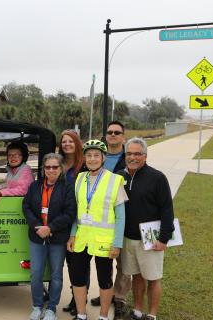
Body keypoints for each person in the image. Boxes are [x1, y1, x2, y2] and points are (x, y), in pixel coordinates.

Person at [67, 139, 127, 320]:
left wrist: (117, 244)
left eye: (96, 155)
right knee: (77, 279)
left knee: (105, 281)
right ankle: (81, 314)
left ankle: (103, 316)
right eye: (89, 155)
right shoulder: (79, 178)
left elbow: (121, 216)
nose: (92, 159)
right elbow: (76, 210)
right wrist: (72, 234)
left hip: (104, 241)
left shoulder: (115, 180)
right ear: (84, 158)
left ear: (103, 158)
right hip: (81, 238)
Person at [117, 138, 174, 320]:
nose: (132, 157)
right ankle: (138, 310)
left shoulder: (157, 178)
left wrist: (164, 238)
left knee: (153, 278)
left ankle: (152, 314)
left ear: (145, 156)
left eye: (137, 154)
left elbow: (167, 208)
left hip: (151, 238)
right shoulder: (119, 176)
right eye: (129, 154)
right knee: (136, 277)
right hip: (128, 237)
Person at [23, 153, 76, 320]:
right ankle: (37, 306)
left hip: (57, 238)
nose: (51, 170)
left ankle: (52, 308)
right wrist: (37, 226)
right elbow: (26, 207)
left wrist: (50, 228)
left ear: (61, 169)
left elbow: (69, 213)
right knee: (36, 273)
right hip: (37, 236)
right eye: (48, 167)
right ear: (43, 169)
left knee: (56, 275)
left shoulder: (67, 187)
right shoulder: (35, 186)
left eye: (55, 167)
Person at [91, 120, 131, 318]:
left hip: (124, 216)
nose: (113, 135)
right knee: (104, 260)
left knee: (123, 263)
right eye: (110, 132)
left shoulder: (129, 157)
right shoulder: (99, 156)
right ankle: (106, 293)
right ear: (105, 136)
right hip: (102, 220)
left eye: (117, 132)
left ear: (123, 136)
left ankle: (120, 298)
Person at [58, 129, 85, 316]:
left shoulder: (83, 166)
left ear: (77, 143)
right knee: (67, 263)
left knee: (79, 264)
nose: (67, 144)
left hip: (80, 220)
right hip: (61, 220)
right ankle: (74, 297)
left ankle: (78, 301)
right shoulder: (57, 164)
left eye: (70, 141)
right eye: (64, 141)